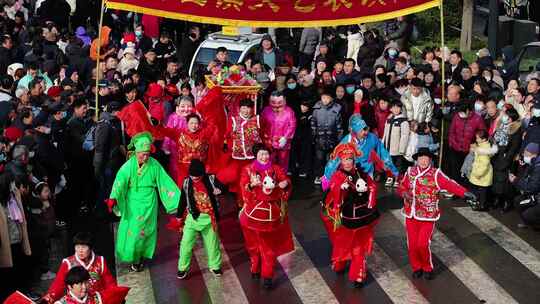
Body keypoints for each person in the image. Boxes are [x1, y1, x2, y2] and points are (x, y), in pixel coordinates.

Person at [398, 147, 476, 280]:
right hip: (411, 214)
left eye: (426, 158)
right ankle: (416, 267)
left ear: (430, 160)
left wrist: (464, 192)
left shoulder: (435, 174)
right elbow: (402, 186)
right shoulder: (410, 171)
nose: (423, 160)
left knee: (422, 244)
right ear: (416, 159)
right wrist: (404, 193)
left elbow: (450, 184)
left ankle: (427, 267)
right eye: (421, 158)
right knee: (412, 245)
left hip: (428, 216)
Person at [106, 132, 180, 272]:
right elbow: (120, 182)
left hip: (150, 202)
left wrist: (177, 201)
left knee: (146, 231)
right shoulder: (128, 166)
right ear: (136, 152)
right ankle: (134, 257)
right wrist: (113, 197)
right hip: (133, 202)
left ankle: (140, 257)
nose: (145, 157)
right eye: (142, 154)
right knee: (133, 231)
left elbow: (165, 182)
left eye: (147, 154)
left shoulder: (154, 165)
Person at [321, 143, 379, 288]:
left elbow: (372, 186)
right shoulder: (337, 175)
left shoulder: (361, 173)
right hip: (342, 217)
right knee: (342, 243)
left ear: (354, 160)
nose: (347, 162)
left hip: (361, 216)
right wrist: (341, 189)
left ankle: (358, 275)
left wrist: (371, 201)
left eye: (349, 159)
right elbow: (333, 191)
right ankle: (339, 263)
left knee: (358, 246)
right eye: (344, 159)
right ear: (340, 161)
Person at [238, 144, 293, 289]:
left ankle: (267, 275)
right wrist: (251, 185)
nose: (264, 157)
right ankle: (255, 266)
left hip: (270, 216)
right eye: (261, 154)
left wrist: (285, 183)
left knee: (268, 247)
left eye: (266, 154)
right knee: (252, 245)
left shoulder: (275, 169)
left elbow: (285, 180)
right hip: (251, 214)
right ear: (256, 155)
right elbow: (243, 186)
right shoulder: (248, 170)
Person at [175, 159, 226, 279]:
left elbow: (224, 188)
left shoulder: (212, 179)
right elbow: (182, 200)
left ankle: (215, 266)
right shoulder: (187, 183)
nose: (194, 178)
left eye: (197, 176)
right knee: (186, 245)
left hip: (209, 219)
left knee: (212, 244)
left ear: (203, 173)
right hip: (192, 218)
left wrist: (220, 190)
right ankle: (182, 268)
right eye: (192, 175)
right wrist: (178, 216)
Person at [323, 115, 398, 189]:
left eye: (365, 129)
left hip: (368, 171)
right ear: (356, 130)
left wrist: (394, 172)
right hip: (352, 173)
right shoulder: (347, 141)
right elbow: (335, 159)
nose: (365, 132)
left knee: (368, 192)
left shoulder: (372, 137)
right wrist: (327, 178)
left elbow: (383, 154)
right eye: (362, 130)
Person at [43, 233, 116, 303]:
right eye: (77, 247)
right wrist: (46, 301)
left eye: (84, 247)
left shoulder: (100, 261)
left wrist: (115, 296)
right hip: (75, 301)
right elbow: (58, 286)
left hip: (96, 301)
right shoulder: (68, 263)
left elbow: (109, 283)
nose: (80, 250)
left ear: (90, 248)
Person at [311, 91, 343, 184]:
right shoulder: (316, 109)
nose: (325, 100)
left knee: (331, 159)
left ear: (331, 98)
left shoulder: (336, 110)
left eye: (327, 98)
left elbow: (339, 127)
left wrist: (339, 140)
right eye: (323, 97)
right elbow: (313, 124)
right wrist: (313, 137)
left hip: (332, 139)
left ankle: (330, 176)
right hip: (319, 139)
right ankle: (318, 176)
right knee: (319, 159)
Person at [260, 92, 296, 171]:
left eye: (279, 102)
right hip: (269, 141)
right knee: (268, 160)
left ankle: (282, 178)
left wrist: (286, 138)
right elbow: (261, 125)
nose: (276, 105)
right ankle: (269, 178)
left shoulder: (289, 111)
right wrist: (263, 139)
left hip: (283, 141)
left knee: (283, 161)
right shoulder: (266, 110)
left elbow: (292, 125)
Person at [509, 143, 540, 227]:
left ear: (534, 154)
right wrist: (517, 180)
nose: (524, 156)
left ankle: (533, 222)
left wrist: (515, 181)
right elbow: (526, 178)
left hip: (536, 196)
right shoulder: (532, 164)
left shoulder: (538, 167)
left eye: (527, 154)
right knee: (517, 200)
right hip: (533, 194)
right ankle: (526, 221)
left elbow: (532, 187)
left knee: (529, 214)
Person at [468, 130, 497, 211]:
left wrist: (477, 173)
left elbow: (485, 163)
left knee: (482, 191)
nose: (476, 139)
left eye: (478, 138)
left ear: (483, 139)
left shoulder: (483, 150)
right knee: (483, 190)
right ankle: (481, 204)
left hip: (481, 173)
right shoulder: (484, 147)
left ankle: (482, 205)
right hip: (483, 173)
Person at [383, 100, 410, 187]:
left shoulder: (403, 121)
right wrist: (382, 144)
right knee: (389, 163)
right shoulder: (389, 119)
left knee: (398, 164)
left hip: (397, 148)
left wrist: (402, 149)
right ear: (390, 108)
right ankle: (390, 177)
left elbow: (405, 136)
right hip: (388, 147)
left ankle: (397, 178)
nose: (395, 109)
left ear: (401, 108)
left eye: (398, 107)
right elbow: (385, 133)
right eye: (393, 107)